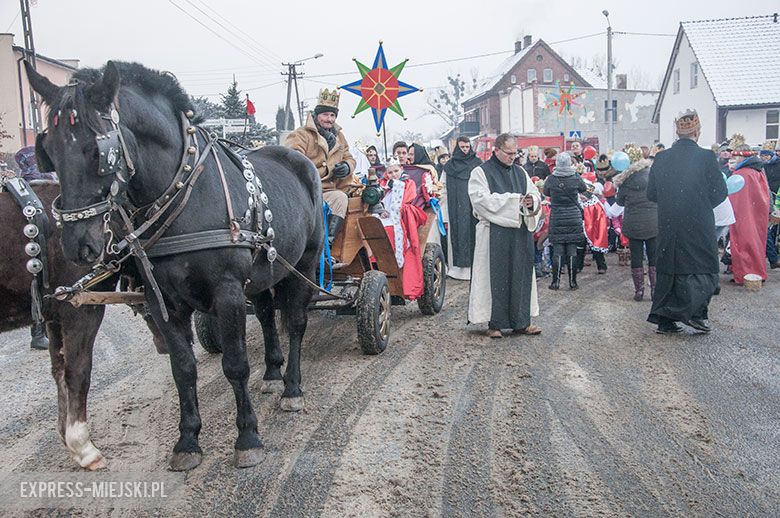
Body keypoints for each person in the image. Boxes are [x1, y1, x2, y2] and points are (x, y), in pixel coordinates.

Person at [646, 110, 727, 334]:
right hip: (698, 222)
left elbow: (651, 193)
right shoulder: (706, 157)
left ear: (677, 133)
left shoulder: (661, 158)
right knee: (699, 265)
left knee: (670, 267)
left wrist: (674, 201)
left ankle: (665, 320)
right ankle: (696, 315)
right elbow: (720, 192)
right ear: (697, 132)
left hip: (669, 222)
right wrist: (698, 204)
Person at [468, 133, 542, 338]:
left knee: (521, 274)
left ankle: (522, 321)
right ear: (497, 150)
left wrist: (531, 202)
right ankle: (495, 324)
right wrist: (515, 201)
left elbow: (534, 194)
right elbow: (480, 200)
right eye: (508, 153)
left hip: (518, 232)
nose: (512, 157)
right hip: (494, 232)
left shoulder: (520, 172)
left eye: (515, 153)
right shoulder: (480, 172)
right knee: (495, 277)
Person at [284, 88, 359, 244]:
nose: (329, 119)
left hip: (328, 190)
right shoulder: (302, 134)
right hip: (305, 190)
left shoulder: (339, 136)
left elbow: (349, 158)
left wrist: (346, 166)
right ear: (317, 115)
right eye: (325, 114)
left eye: (332, 115)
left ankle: (327, 243)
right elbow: (292, 160)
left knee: (340, 198)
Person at [376, 157, 427, 298]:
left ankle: (395, 261)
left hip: (400, 213)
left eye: (396, 171)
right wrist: (381, 210)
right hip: (385, 214)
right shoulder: (383, 185)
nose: (394, 174)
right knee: (373, 223)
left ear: (401, 169)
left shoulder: (407, 183)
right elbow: (379, 200)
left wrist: (396, 186)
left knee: (391, 228)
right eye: (390, 172)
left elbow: (406, 199)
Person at [614, 156, 658, 301]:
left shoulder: (626, 180)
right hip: (653, 221)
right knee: (653, 257)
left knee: (636, 257)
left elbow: (619, 201)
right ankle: (655, 290)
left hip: (633, 222)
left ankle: (639, 291)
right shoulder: (654, 176)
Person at [544, 152, 587, 290]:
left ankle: (555, 282)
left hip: (557, 216)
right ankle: (573, 282)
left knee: (557, 250)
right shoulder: (575, 177)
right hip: (573, 216)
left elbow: (546, 192)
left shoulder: (551, 178)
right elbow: (584, 189)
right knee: (572, 250)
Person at [728, 146, 770, 285]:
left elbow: (737, 198)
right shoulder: (757, 171)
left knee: (743, 243)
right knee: (756, 242)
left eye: (735, 157)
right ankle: (757, 272)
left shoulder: (743, 174)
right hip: (757, 214)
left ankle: (745, 274)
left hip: (743, 214)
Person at [443, 136, 482, 280]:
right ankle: (458, 269)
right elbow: (444, 187)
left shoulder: (477, 163)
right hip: (456, 205)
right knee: (459, 233)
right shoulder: (450, 166)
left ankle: (475, 267)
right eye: (462, 147)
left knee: (474, 232)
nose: (465, 150)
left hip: (474, 205)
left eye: (467, 147)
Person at [762, 140, 780, 269]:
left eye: (766, 155)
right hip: (767, 197)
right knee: (768, 231)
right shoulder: (762, 167)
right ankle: (773, 257)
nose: (764, 158)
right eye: (762, 155)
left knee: (771, 231)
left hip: (775, 197)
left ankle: (773, 256)